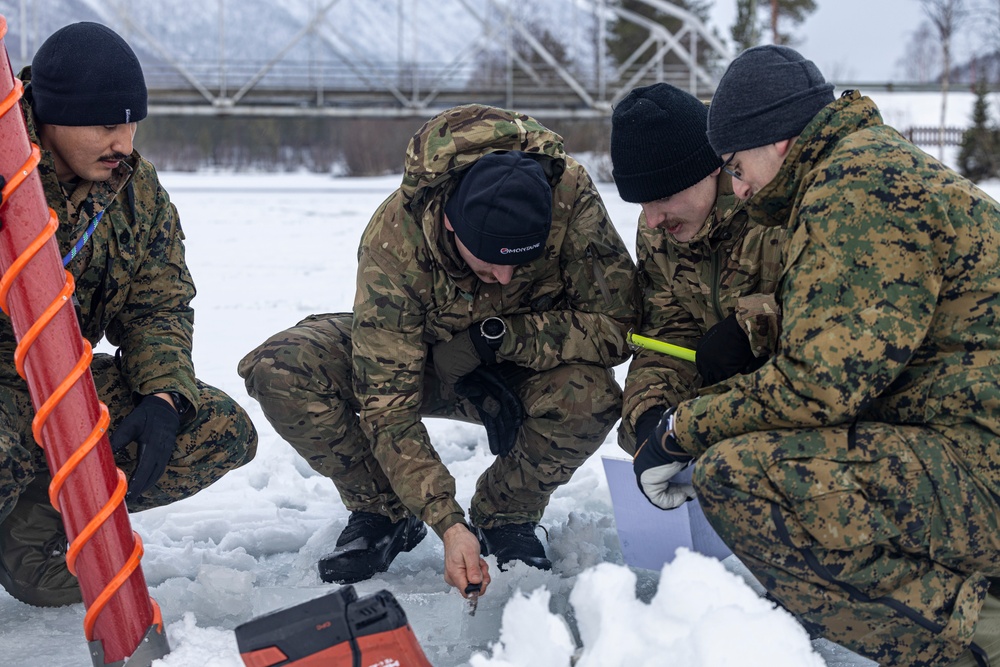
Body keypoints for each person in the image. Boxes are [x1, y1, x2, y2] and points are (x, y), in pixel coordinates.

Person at [633, 45, 1000, 667]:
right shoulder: (862, 169)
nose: (738, 185)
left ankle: (979, 637)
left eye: (736, 164)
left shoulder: (855, 192)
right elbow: (854, 347)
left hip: (981, 463)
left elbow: (820, 386)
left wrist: (680, 430)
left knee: (741, 478)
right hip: (966, 440)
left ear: (777, 142)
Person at [239, 104, 636, 599]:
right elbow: (388, 406)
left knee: (591, 395)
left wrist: (498, 340)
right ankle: (383, 510)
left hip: (518, 365)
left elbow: (618, 327)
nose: (506, 278)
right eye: (490, 262)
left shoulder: (569, 194)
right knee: (283, 365)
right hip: (413, 356)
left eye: (521, 263)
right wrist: (446, 523)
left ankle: (505, 515)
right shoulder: (395, 240)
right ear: (451, 224)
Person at [0, 22, 257, 608]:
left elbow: (158, 303)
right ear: (53, 117)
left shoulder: (135, 190)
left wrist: (163, 396)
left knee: (217, 429)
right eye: (107, 124)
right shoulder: (2, 166)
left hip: (61, 379)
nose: (124, 141)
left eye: (131, 122)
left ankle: (29, 532)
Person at [609, 82, 784, 458]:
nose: (651, 220)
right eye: (641, 203)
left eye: (661, 197)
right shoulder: (659, 234)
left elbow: (832, 313)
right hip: (722, 411)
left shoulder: (772, 208)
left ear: (707, 170)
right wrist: (650, 417)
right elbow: (667, 332)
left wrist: (750, 327)